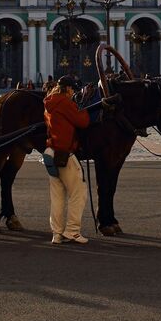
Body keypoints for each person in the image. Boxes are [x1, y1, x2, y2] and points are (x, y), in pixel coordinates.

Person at [44, 75, 93, 243]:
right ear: (67, 88)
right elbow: (83, 121)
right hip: (65, 154)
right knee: (78, 192)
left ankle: (56, 233)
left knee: (57, 196)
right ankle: (72, 230)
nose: (73, 92)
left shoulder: (49, 102)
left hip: (50, 152)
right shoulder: (65, 102)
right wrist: (82, 106)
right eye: (72, 89)